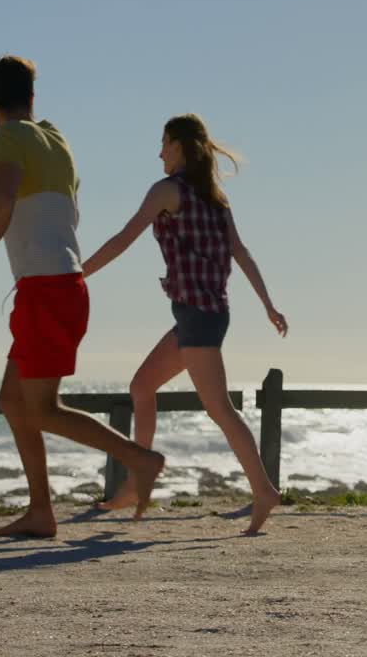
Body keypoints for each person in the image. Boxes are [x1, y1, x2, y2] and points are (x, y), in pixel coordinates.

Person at [0, 55, 166, 538]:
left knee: (41, 408)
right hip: (59, 286)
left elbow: (3, 198)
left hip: (47, 288)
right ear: (32, 97)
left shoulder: (5, 137)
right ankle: (41, 511)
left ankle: (139, 459)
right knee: (13, 400)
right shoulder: (56, 140)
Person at [82, 113, 286, 535]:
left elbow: (124, 238)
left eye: (164, 143)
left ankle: (264, 491)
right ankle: (137, 482)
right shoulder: (215, 199)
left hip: (198, 316)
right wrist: (267, 305)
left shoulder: (168, 191)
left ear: (178, 145)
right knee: (142, 387)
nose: (159, 153)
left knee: (220, 409)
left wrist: (78, 274)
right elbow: (242, 253)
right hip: (205, 314)